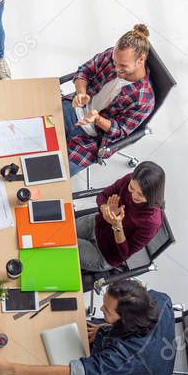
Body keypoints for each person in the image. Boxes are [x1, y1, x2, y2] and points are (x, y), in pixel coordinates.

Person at [0, 279, 175, 375]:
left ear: (125, 320)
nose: (101, 308)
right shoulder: (159, 300)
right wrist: (104, 327)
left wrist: (13, 369)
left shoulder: (124, 357)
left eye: (107, 310)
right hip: (146, 349)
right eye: (104, 303)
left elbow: (72, 373)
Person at [62, 24, 155, 176]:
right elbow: (84, 71)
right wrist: (80, 93)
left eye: (123, 66)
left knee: (54, 172)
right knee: (31, 135)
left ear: (141, 60)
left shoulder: (144, 99)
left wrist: (96, 118)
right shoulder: (114, 56)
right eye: (115, 62)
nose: (116, 68)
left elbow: (120, 131)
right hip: (73, 110)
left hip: (91, 139)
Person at [76, 162, 165, 273]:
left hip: (104, 254)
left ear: (153, 195)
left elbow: (125, 253)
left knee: (60, 246)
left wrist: (117, 226)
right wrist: (106, 211)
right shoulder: (130, 179)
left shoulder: (151, 222)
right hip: (97, 224)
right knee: (57, 233)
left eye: (141, 194)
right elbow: (102, 196)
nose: (134, 196)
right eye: (131, 188)